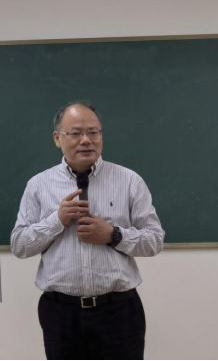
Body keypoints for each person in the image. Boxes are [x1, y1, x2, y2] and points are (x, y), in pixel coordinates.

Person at [11, 101, 165, 360]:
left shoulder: (129, 181)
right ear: (57, 138)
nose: (86, 140)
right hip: (61, 313)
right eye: (75, 133)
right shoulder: (39, 185)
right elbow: (19, 245)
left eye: (93, 132)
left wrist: (114, 235)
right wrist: (57, 220)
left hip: (119, 312)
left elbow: (155, 240)